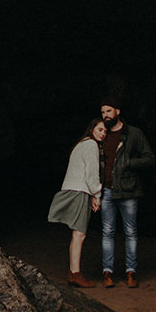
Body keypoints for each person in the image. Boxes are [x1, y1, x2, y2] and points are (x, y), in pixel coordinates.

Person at [97, 99, 153, 287]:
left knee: (130, 232)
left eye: (109, 111)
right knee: (107, 232)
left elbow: (149, 158)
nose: (105, 115)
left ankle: (131, 272)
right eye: (103, 112)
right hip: (106, 190)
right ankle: (107, 272)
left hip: (129, 190)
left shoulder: (133, 133)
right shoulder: (101, 134)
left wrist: (129, 163)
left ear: (118, 111)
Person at [47, 118, 105, 287]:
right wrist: (97, 194)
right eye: (100, 129)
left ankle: (74, 273)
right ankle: (75, 274)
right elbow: (91, 173)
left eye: (104, 131)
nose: (102, 133)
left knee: (77, 234)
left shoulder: (81, 144)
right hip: (80, 190)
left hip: (73, 188)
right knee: (79, 234)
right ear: (92, 129)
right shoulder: (91, 145)